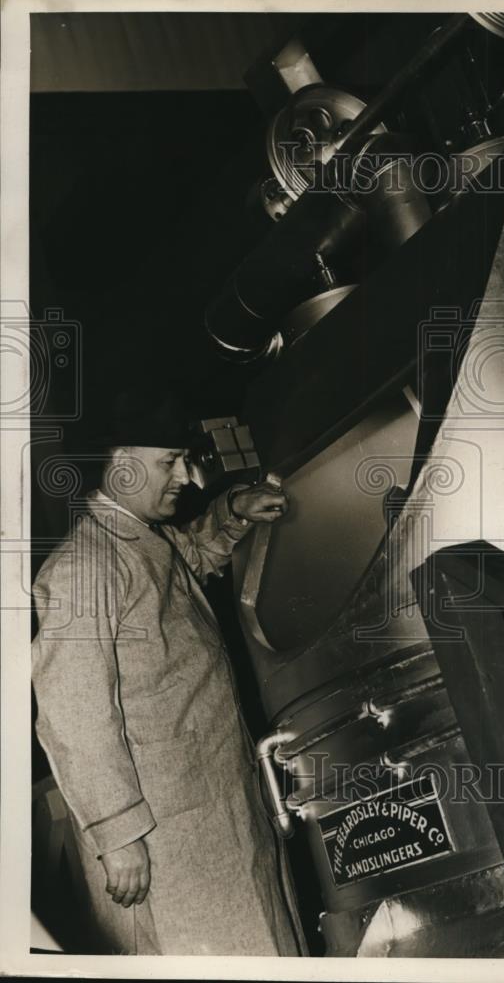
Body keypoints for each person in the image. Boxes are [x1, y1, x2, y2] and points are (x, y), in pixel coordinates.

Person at [31, 392, 305, 955]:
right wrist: (117, 831)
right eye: (169, 462)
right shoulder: (86, 566)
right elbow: (75, 711)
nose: (185, 475)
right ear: (120, 461)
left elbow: (191, 555)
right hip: (164, 838)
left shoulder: (138, 539)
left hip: (213, 813)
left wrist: (233, 512)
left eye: (184, 460)